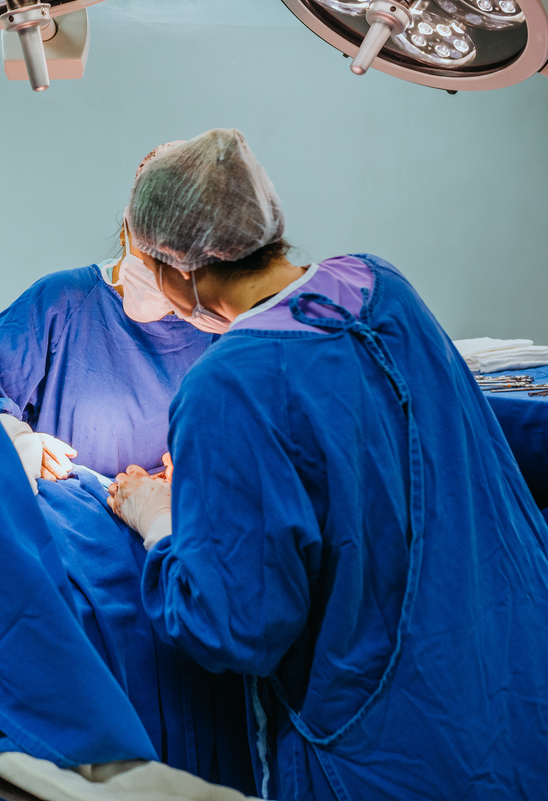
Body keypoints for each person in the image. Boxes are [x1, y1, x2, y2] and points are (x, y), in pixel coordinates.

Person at [107, 128, 548, 800]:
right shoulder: (378, 285)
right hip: (521, 679)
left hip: (400, 752)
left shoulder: (230, 384)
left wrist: (160, 523)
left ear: (180, 265)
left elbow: (237, 626)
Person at [0, 142, 220, 487]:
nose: (163, 269)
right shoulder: (63, 302)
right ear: (128, 229)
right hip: (67, 508)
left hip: (167, 515)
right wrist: (17, 437)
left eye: (179, 258)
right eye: (154, 250)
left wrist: (202, 468)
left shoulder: (218, 329)